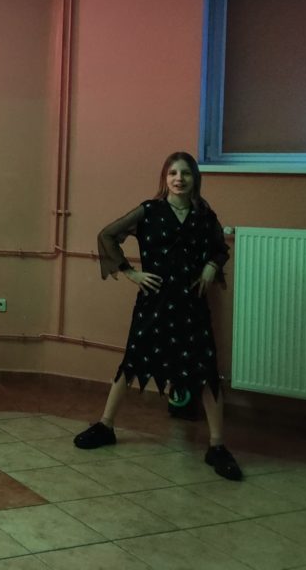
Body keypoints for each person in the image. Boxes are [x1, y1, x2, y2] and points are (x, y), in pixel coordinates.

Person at [73, 151, 243, 481]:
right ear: (165, 178)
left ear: (195, 178)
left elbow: (220, 248)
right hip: (155, 302)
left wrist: (211, 265)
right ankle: (106, 426)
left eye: (186, 173)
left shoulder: (204, 214)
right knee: (132, 361)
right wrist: (131, 273)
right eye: (173, 173)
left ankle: (217, 445)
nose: (179, 179)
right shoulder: (149, 211)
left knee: (206, 369)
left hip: (192, 305)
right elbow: (107, 235)